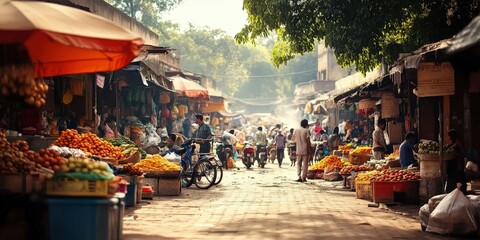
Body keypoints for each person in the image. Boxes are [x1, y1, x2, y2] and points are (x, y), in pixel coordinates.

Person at [445, 129, 467, 194]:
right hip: (454, 166)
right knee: (455, 180)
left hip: (457, 165)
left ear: (452, 136)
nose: (449, 138)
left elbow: (460, 153)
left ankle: (460, 193)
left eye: (449, 136)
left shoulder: (457, 144)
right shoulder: (453, 143)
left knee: (458, 179)